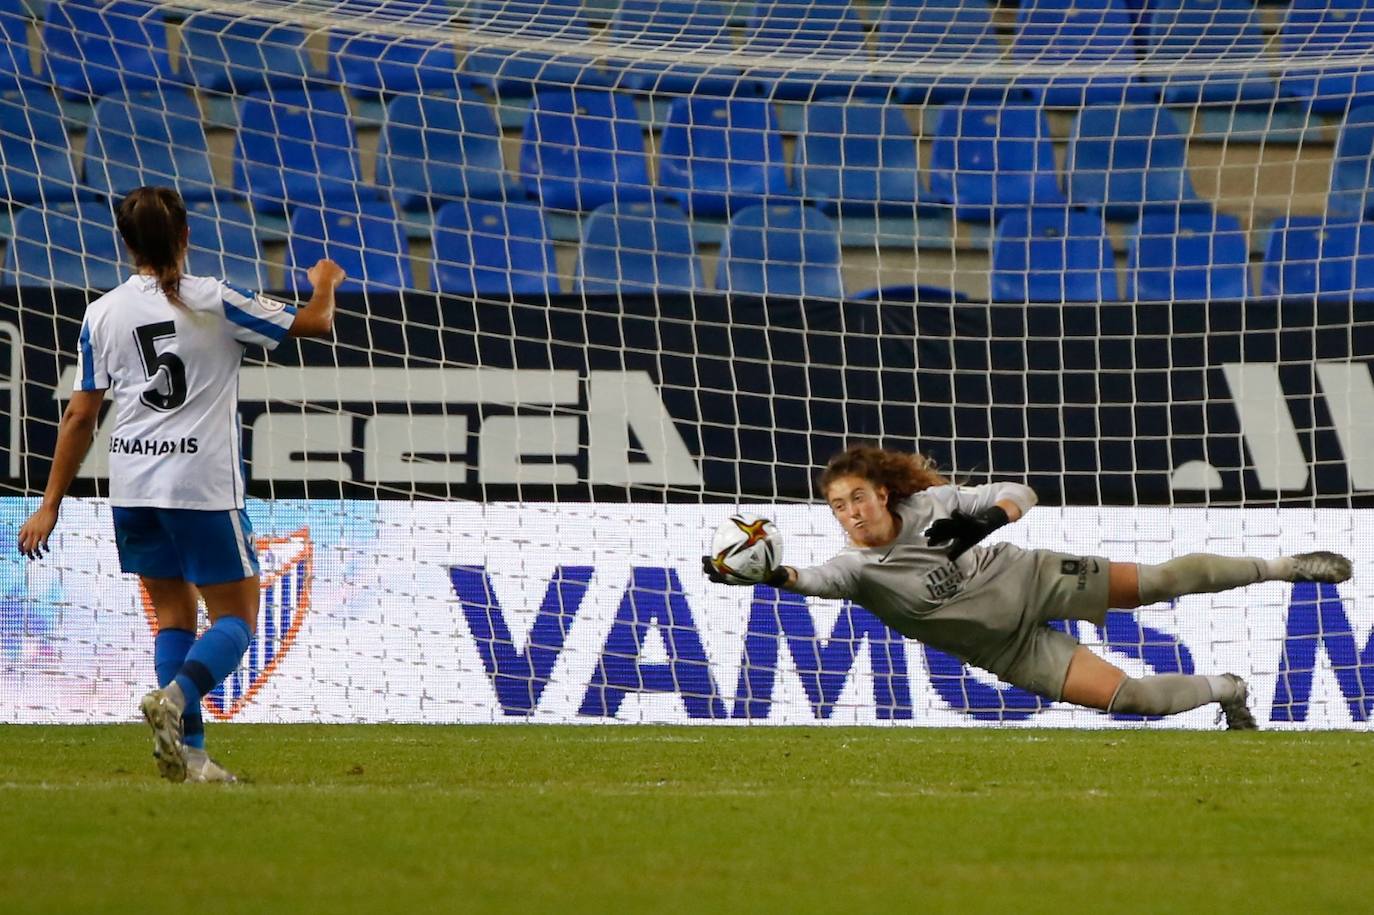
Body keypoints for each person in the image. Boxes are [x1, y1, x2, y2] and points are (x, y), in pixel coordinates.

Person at [17, 186, 345, 781]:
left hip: (134, 487)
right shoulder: (214, 299)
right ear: (185, 236)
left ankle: (192, 758)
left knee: (174, 617)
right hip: (201, 486)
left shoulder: (102, 312)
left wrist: (49, 506)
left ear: (126, 244)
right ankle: (177, 698)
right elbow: (316, 322)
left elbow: (80, 416)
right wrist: (324, 280)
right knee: (240, 617)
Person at [703, 443, 1354, 728]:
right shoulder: (853, 568)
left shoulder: (936, 508)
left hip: (1031, 578)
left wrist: (984, 519)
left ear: (882, 491)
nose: (849, 512)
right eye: (836, 505)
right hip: (1005, 650)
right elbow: (805, 579)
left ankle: (1287, 565)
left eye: (857, 497)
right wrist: (755, 573)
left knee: (1157, 582)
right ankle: (1229, 689)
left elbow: (1023, 491)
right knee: (1130, 701)